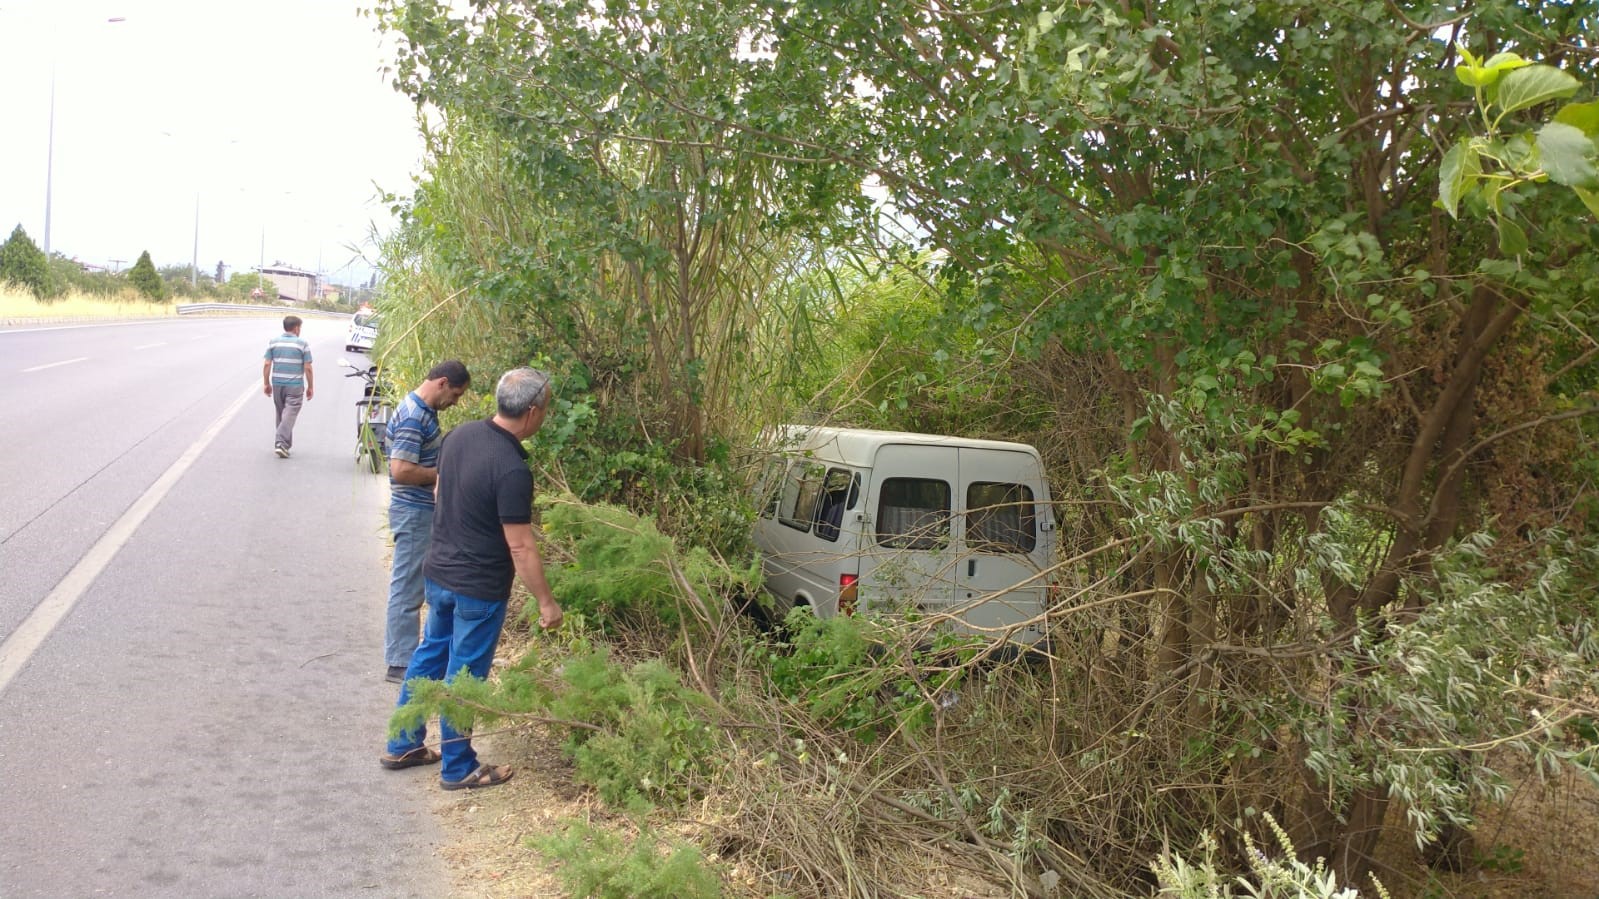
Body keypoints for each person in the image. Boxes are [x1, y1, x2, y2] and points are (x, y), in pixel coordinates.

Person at [379, 367, 564, 790]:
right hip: (478, 588)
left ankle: (403, 742)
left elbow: (443, 495)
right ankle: (458, 766)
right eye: (546, 411)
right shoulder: (513, 469)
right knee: (466, 674)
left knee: (429, 656)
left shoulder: (458, 435)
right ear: (533, 413)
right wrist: (546, 603)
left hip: (440, 573)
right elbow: (520, 546)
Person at [383, 360, 472, 684]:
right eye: (456, 394)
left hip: (422, 512)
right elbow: (401, 470)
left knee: (417, 585)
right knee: (407, 587)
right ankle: (399, 663)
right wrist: (444, 475)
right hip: (413, 512)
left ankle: (410, 658)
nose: (455, 402)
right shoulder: (413, 416)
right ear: (443, 383)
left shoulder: (423, 412)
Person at [261, 315, 314, 458]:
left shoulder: (273, 342)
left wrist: (266, 383)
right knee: (289, 414)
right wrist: (310, 387)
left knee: (281, 414)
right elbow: (308, 367)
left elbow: (267, 364)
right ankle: (280, 442)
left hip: (278, 384)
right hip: (295, 386)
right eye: (300, 328)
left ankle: (284, 446)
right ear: (296, 328)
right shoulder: (302, 344)